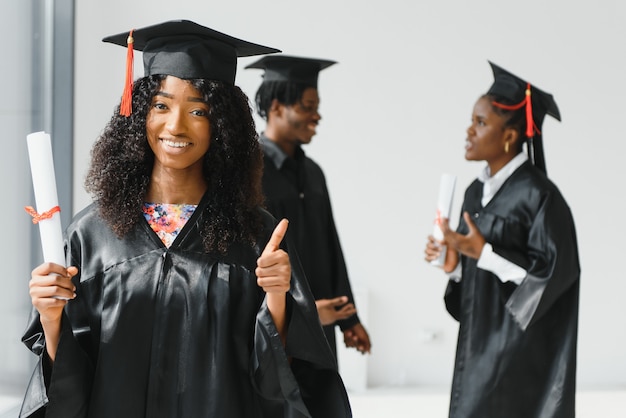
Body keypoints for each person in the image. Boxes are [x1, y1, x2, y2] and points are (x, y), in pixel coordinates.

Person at [20, 20, 351, 418]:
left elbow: (279, 384)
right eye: (161, 105)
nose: (175, 125)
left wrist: (277, 297)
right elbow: (69, 384)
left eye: (198, 110)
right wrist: (51, 318)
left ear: (222, 125)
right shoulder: (92, 234)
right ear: (138, 112)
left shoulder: (255, 233)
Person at [424, 61, 580, 418]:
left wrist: (484, 253)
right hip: (479, 346)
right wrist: (455, 267)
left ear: (510, 136)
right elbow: (472, 286)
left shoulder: (539, 197)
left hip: (521, 353)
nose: (469, 130)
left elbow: (552, 278)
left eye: (480, 122)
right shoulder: (474, 193)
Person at [246, 55, 371, 357]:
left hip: (322, 323)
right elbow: (249, 257)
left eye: (317, 107)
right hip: (276, 326)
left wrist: (349, 318)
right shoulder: (251, 171)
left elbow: (331, 246)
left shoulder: (313, 172)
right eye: (307, 106)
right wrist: (303, 310)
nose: (317, 117)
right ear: (276, 107)